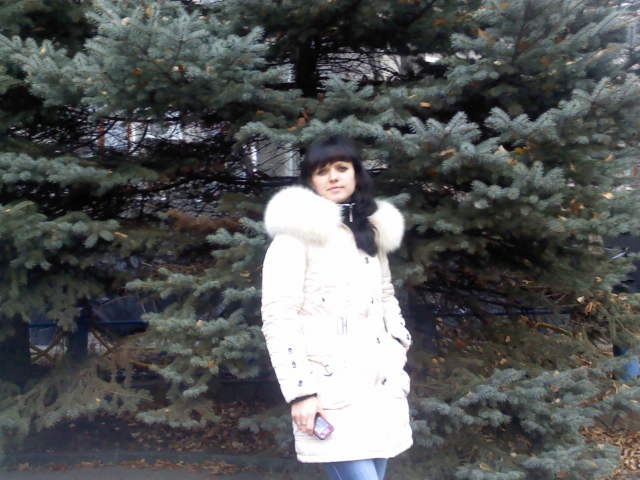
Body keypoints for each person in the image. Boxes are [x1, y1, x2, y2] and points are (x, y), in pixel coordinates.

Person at [260, 135, 413, 480]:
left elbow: (386, 294)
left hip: (379, 387)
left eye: (342, 168)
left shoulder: (369, 233)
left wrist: (397, 344)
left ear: (356, 173)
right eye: (322, 171)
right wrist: (301, 392)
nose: (333, 177)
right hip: (328, 392)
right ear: (310, 181)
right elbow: (278, 318)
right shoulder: (293, 237)